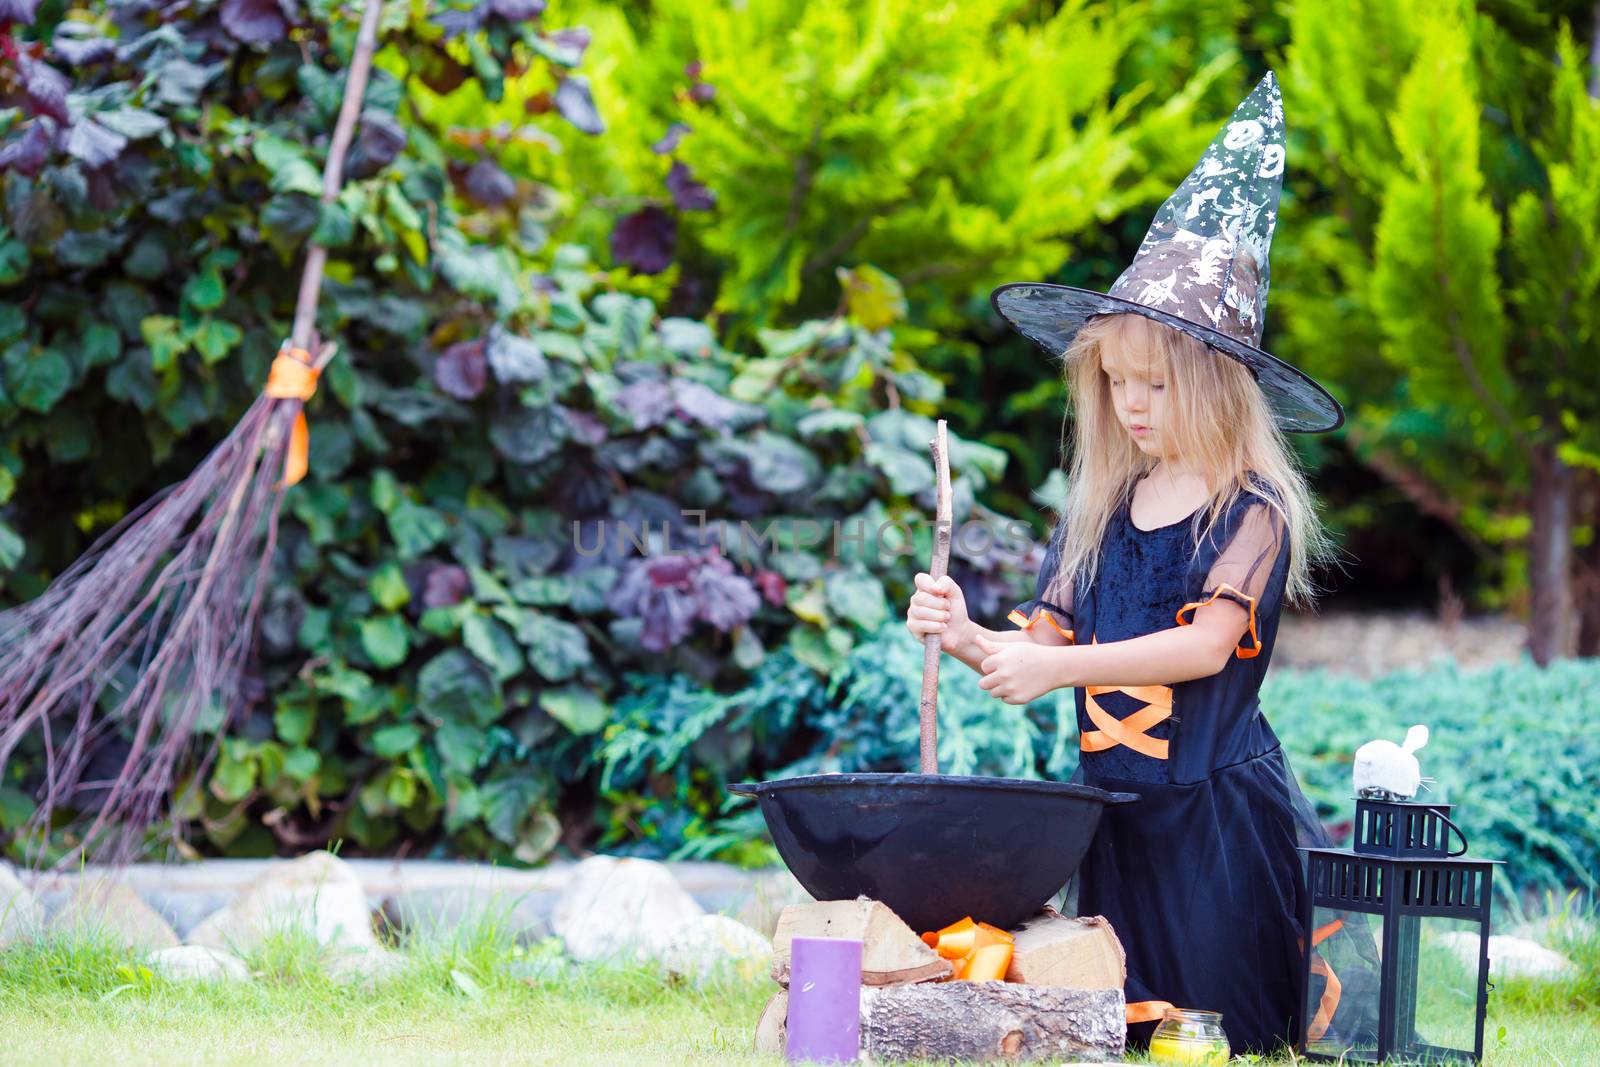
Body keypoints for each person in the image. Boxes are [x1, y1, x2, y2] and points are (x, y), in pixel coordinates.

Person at [904, 71, 1375, 1055]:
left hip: (1216, 827)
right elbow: (1033, 654)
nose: (1131, 405)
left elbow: (1203, 648)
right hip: (1117, 824)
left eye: (1153, 383)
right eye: (1115, 383)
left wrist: (1050, 667)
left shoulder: (1251, 510)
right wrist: (963, 637)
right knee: (1122, 1030)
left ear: (1214, 386)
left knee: (1218, 1031)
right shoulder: (1101, 512)